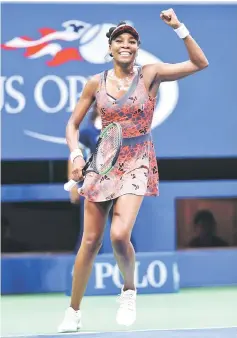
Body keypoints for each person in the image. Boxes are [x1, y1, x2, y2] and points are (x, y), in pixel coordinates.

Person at [58, 8, 208, 332]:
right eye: (119, 40)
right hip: (104, 160)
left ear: (136, 48)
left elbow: (199, 63)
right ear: (109, 47)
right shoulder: (94, 84)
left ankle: (128, 290)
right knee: (90, 241)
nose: (125, 44)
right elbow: (72, 124)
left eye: (131, 40)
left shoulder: (150, 74)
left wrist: (179, 27)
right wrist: (74, 154)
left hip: (138, 158)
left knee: (119, 235)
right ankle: (73, 310)